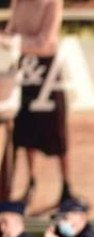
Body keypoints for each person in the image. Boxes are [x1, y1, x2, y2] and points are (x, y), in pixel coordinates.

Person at [3, 0, 69, 209]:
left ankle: (66, 187)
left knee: (57, 132)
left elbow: (46, 43)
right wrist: (12, 41)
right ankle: (31, 181)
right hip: (23, 70)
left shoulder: (53, 2)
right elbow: (10, 31)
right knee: (26, 129)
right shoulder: (19, 2)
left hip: (47, 73)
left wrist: (13, 41)